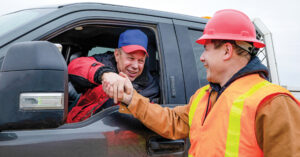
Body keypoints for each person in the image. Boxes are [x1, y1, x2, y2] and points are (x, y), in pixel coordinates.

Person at [102, 9, 300, 156]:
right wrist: (131, 98)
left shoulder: (273, 102)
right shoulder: (205, 96)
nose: (202, 57)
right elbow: (173, 121)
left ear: (227, 51)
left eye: (206, 48)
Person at [66, 29, 159, 123]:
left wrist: (128, 98)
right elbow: (75, 65)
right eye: (131, 58)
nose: (135, 66)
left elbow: (146, 119)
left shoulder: (150, 88)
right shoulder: (103, 61)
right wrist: (103, 73)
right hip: (72, 126)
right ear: (117, 55)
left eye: (140, 61)